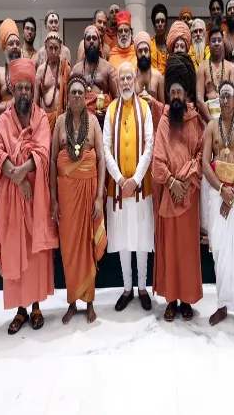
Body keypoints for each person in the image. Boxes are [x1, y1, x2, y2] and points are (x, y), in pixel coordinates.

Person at [0, 58, 57, 334]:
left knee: (34, 251)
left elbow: (43, 151)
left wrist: (21, 171)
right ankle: (20, 310)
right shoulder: (4, 119)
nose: (23, 94)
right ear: (13, 90)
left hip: (35, 197)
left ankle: (36, 307)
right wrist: (18, 179)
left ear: (33, 90)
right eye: (18, 89)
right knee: (15, 248)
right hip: (12, 196)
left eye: (27, 89)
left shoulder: (41, 117)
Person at [51, 73, 108, 324]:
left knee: (86, 244)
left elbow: (101, 160)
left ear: (85, 97)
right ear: (68, 96)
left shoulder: (93, 122)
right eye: (72, 92)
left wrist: (98, 198)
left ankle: (90, 302)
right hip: (65, 195)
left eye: (79, 92)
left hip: (88, 191)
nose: (76, 95)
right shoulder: (59, 122)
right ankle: (72, 301)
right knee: (69, 248)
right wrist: (53, 199)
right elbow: (53, 161)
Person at [152, 54, 205, 322]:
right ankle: (171, 299)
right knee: (171, 250)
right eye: (171, 91)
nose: (175, 96)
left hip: (189, 194)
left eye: (179, 92)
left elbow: (200, 154)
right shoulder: (163, 120)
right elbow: (158, 160)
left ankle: (186, 299)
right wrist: (172, 182)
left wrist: (185, 182)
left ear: (185, 95)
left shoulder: (195, 119)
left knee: (187, 251)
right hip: (170, 194)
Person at [102, 64, 155, 312]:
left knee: (141, 238)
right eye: (121, 78)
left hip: (141, 186)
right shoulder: (111, 109)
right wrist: (120, 180)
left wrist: (135, 179)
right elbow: (105, 148)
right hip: (119, 189)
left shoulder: (145, 108)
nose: (125, 82)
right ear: (118, 81)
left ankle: (143, 287)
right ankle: (127, 288)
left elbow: (149, 147)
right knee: (123, 238)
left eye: (128, 78)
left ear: (135, 80)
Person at [202, 80, 234, 334]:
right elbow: (204, 163)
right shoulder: (211, 126)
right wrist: (222, 192)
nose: (224, 100)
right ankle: (223, 306)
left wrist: (231, 196)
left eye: (229, 96)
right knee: (221, 253)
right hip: (217, 194)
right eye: (221, 96)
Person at [70, 25, 118, 126]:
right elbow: (70, 99)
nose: (91, 41)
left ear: (99, 42)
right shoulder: (76, 69)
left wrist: (108, 114)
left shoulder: (108, 67)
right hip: (81, 122)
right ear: (84, 43)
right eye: (88, 38)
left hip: (103, 121)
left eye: (94, 38)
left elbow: (116, 98)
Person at [197, 26, 234, 123]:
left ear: (223, 43)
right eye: (213, 41)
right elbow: (199, 99)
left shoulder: (231, 67)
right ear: (209, 44)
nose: (216, 43)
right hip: (207, 117)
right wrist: (212, 123)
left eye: (219, 40)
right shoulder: (202, 67)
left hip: (227, 116)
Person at [34, 31, 70, 132]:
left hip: (63, 120)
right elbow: (36, 102)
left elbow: (69, 97)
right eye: (50, 48)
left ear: (60, 49)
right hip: (45, 120)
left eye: (56, 48)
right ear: (46, 48)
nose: (53, 52)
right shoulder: (41, 70)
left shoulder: (66, 68)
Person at [0, 18, 23, 118]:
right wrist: (9, 106)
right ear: (4, 49)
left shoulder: (27, 70)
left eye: (17, 43)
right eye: (11, 43)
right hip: (4, 126)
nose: (15, 46)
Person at [134, 31, 164, 102]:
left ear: (150, 52)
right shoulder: (132, 76)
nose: (143, 54)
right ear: (136, 54)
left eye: (146, 50)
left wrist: (153, 101)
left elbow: (163, 107)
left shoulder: (158, 76)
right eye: (140, 51)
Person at [150, 3, 169, 75]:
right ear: (154, 25)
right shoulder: (149, 44)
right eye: (157, 21)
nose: (160, 24)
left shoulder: (171, 45)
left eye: (162, 21)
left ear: (166, 24)